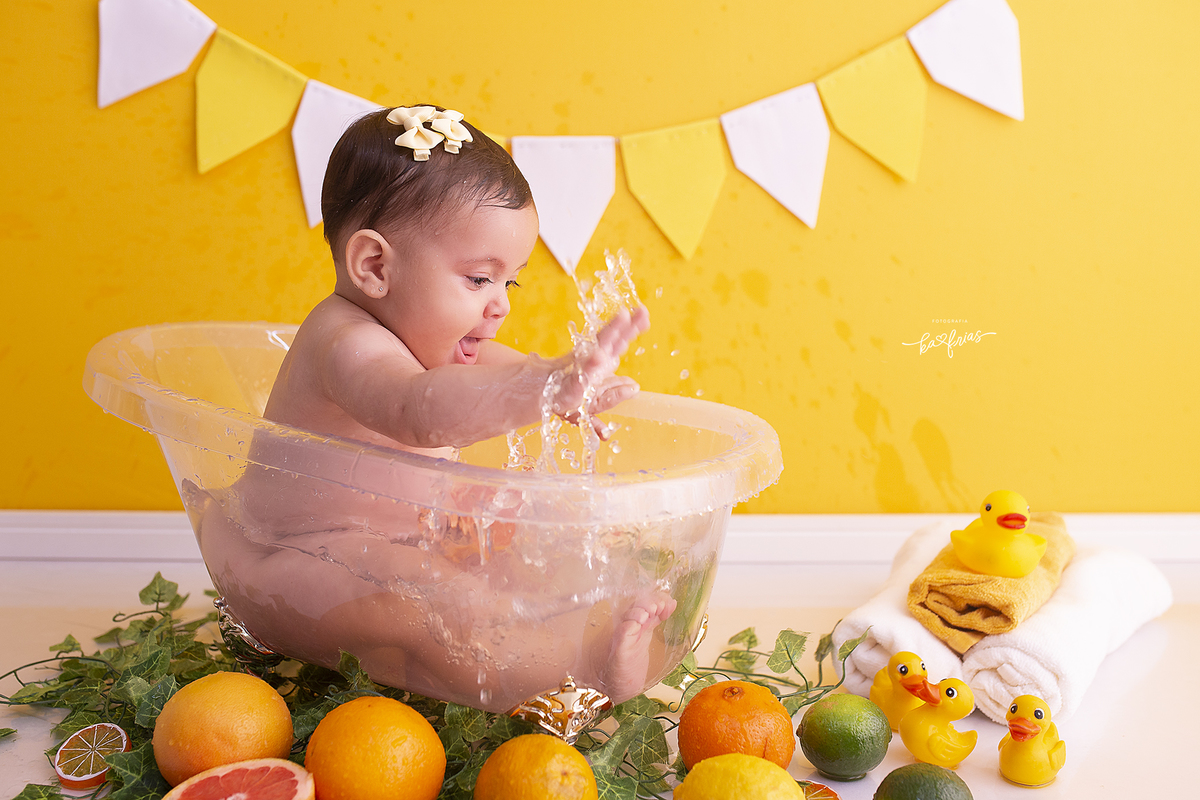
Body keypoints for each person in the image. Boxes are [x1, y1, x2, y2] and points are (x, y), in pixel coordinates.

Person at [202, 105, 673, 711]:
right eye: (480, 279)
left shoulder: (426, 335)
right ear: (375, 267)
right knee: (433, 604)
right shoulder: (346, 343)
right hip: (293, 557)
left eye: (512, 283)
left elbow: (505, 367)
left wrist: (562, 384)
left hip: (391, 543)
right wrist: (543, 389)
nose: (500, 305)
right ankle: (580, 674)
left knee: (519, 560)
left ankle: (576, 635)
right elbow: (415, 409)